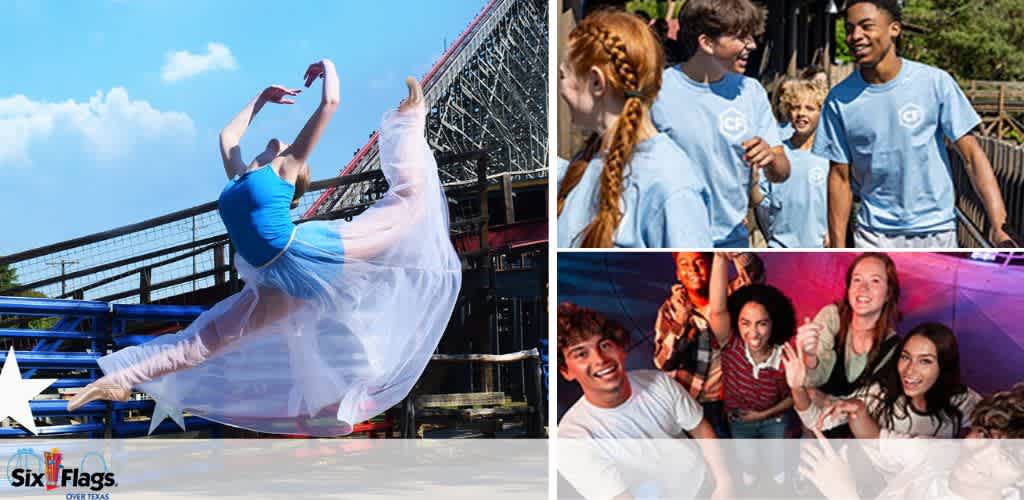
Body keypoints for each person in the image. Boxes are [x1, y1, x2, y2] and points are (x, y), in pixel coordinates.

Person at [66, 61, 463, 437]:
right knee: (202, 342)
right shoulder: (240, 177)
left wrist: (328, 66)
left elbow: (330, 103)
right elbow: (227, 136)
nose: (284, 141)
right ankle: (119, 380)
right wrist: (259, 99)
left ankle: (409, 119)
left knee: (408, 208)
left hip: (308, 255)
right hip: (275, 281)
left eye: (289, 145)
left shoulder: (284, 169)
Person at [812, 0, 1012, 248]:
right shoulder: (839, 99)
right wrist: (838, 249)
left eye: (867, 26)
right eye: (850, 28)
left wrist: (998, 225)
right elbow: (839, 178)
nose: (855, 36)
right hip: (874, 234)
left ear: (894, 29)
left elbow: (972, 155)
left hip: (937, 230)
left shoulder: (935, 82)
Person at [557, 9, 712, 248]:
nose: (560, 88)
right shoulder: (589, 159)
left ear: (597, 82)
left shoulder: (671, 185)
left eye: (562, 76)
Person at [557, 302, 734, 500]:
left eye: (605, 345)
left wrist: (724, 482)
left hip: (706, 484)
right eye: (581, 354)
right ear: (566, 370)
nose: (599, 359)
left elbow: (699, 428)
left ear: (622, 349)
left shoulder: (658, 381)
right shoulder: (571, 440)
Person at [650, 0, 791, 248]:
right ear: (706, 43)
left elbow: (782, 171)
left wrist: (770, 157)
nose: (752, 45)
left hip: (731, 240)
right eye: (741, 37)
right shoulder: (656, 91)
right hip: (668, 240)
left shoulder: (751, 92)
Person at [797, 382, 1024, 500]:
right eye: (984, 434)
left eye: (1007, 455)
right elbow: (878, 440)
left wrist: (845, 494)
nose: (981, 453)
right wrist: (859, 412)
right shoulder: (944, 452)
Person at [785, 322, 980, 439]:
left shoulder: (965, 402)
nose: (910, 370)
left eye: (925, 361)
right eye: (905, 357)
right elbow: (815, 421)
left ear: (944, 366)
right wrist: (797, 387)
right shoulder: (879, 393)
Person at [706, 254, 798, 487]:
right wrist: (719, 259)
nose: (753, 333)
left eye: (762, 323)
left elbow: (793, 399)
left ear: (774, 323)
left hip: (774, 419)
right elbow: (717, 310)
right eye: (745, 323)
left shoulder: (784, 357)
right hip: (739, 421)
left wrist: (762, 416)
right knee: (747, 466)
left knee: (778, 466)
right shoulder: (731, 344)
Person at [653, 251, 765, 437]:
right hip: (691, 403)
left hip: (734, 401)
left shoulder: (733, 295)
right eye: (685, 264)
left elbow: (755, 276)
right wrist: (681, 319)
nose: (693, 270)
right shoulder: (671, 309)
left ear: (712, 265)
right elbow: (663, 363)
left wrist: (737, 253)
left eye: (699, 262)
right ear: (678, 274)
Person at [753, 78, 830, 247]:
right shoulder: (777, 153)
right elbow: (761, 202)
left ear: (821, 113)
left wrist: (833, 231)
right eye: (795, 107)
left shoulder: (829, 156)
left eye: (810, 108)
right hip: (779, 244)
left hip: (818, 245)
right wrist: (752, 184)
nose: (801, 113)